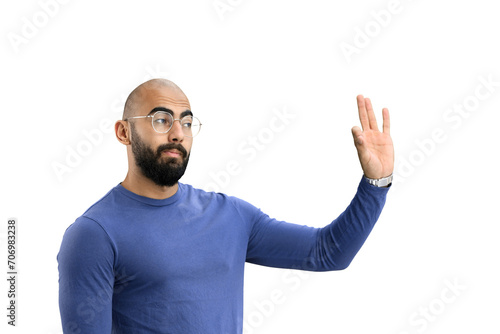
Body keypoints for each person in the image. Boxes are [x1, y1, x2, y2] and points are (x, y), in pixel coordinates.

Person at [57, 78, 394, 333]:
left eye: (187, 122)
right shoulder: (93, 235)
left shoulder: (230, 216)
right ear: (123, 132)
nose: (177, 133)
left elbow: (327, 253)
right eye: (161, 120)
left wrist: (375, 184)